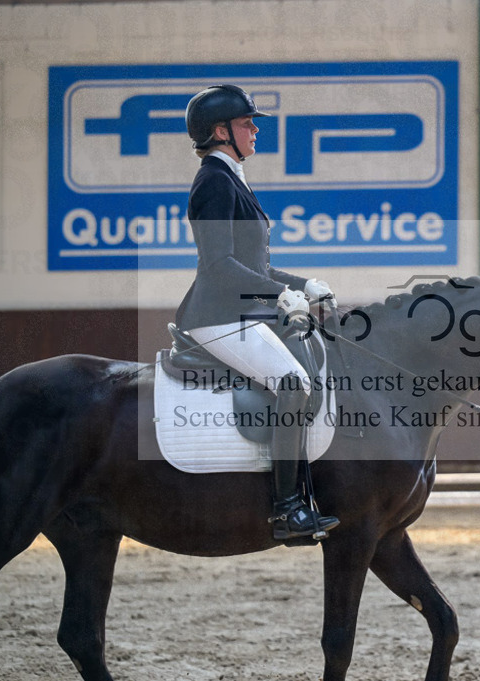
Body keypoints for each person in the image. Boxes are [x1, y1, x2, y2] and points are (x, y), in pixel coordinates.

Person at [176, 85, 339, 541]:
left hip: (241, 312)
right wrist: (277, 295)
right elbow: (219, 266)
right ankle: (287, 510)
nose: (255, 129)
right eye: (247, 123)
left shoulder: (232, 178)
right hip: (216, 316)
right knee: (292, 384)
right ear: (219, 131)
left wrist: (302, 285)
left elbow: (257, 267)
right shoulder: (213, 181)